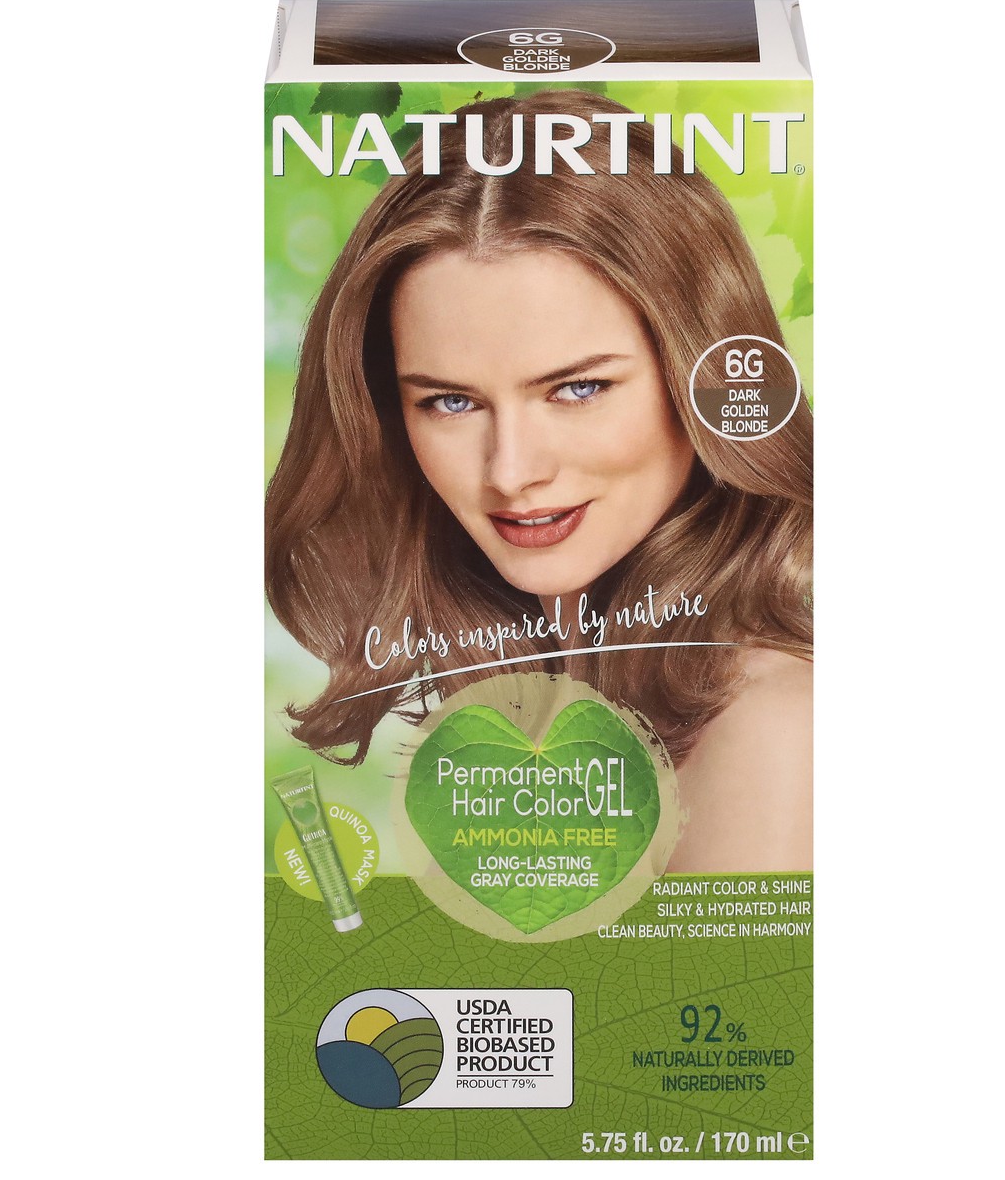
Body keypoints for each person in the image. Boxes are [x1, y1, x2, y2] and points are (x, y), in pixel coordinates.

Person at [266, 91, 812, 871]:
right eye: (450, 402)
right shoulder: (527, 710)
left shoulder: (769, 727)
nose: (512, 472)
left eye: (578, 389)